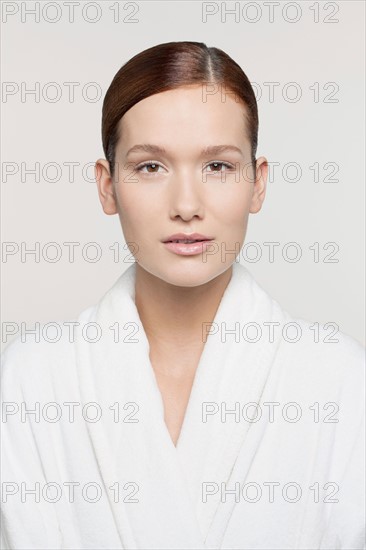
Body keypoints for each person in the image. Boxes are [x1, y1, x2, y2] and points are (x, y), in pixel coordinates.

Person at [1, 41, 364, 550]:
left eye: (218, 166)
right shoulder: (30, 380)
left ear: (258, 184)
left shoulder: (342, 381)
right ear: (107, 187)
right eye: (150, 166)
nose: (187, 205)